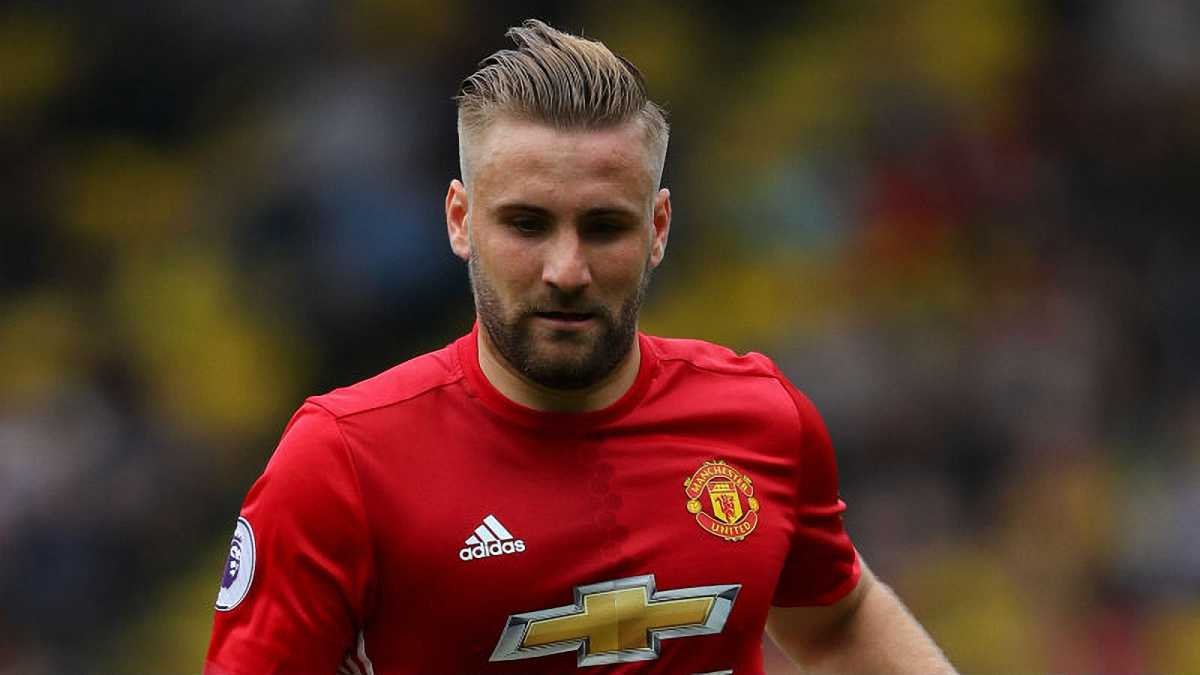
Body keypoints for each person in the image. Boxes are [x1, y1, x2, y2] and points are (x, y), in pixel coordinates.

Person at [205, 19, 956, 674]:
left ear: (657, 229)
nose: (567, 270)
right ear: (461, 221)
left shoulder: (759, 419)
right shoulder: (343, 462)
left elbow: (838, 618)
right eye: (527, 224)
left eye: (604, 227)